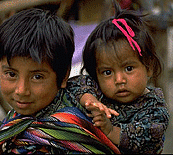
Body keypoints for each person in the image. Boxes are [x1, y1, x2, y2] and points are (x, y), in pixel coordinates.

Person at [0, 8, 120, 154]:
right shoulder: (14, 123)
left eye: (37, 77)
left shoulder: (73, 127)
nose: (21, 90)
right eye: (11, 74)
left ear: (63, 77)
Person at [67, 0, 169, 154]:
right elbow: (76, 83)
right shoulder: (99, 92)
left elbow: (148, 135)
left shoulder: (155, 107)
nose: (119, 80)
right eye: (107, 72)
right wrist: (90, 100)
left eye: (129, 69)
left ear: (148, 68)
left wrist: (110, 131)